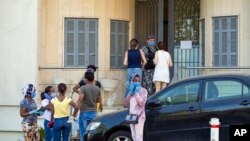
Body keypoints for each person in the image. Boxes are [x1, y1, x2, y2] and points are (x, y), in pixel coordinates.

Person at [73, 71, 102, 141]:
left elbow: (79, 101)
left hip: (84, 113)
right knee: (92, 133)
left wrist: (75, 113)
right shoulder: (97, 89)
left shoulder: (83, 88)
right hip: (94, 113)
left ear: (86, 79)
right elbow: (99, 102)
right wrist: (97, 111)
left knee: (83, 134)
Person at [124, 74, 148, 141]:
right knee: (133, 135)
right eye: (135, 80)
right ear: (132, 81)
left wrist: (137, 93)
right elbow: (125, 103)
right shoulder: (131, 90)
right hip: (131, 116)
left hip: (140, 116)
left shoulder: (143, 90)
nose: (137, 82)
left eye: (138, 81)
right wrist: (130, 93)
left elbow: (142, 104)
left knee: (139, 136)